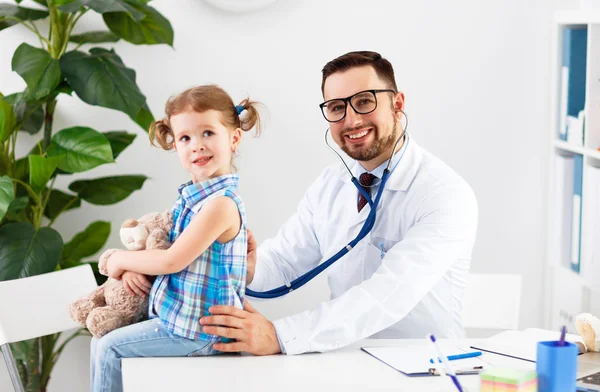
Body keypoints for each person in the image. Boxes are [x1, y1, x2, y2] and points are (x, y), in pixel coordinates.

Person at [198, 51, 478, 356]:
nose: (351, 120)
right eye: (336, 107)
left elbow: (389, 294)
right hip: (344, 358)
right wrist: (248, 266)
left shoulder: (444, 193)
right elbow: (285, 259)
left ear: (397, 105)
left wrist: (279, 336)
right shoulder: (330, 184)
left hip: (425, 363)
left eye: (364, 101)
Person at [91, 85, 262, 391]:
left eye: (208, 133)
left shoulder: (220, 204)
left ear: (233, 138)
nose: (197, 145)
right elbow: (158, 248)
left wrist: (117, 259)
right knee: (100, 340)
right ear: (175, 146)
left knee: (109, 348)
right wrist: (132, 268)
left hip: (200, 332)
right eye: (185, 138)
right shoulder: (190, 201)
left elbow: (171, 260)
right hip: (179, 321)